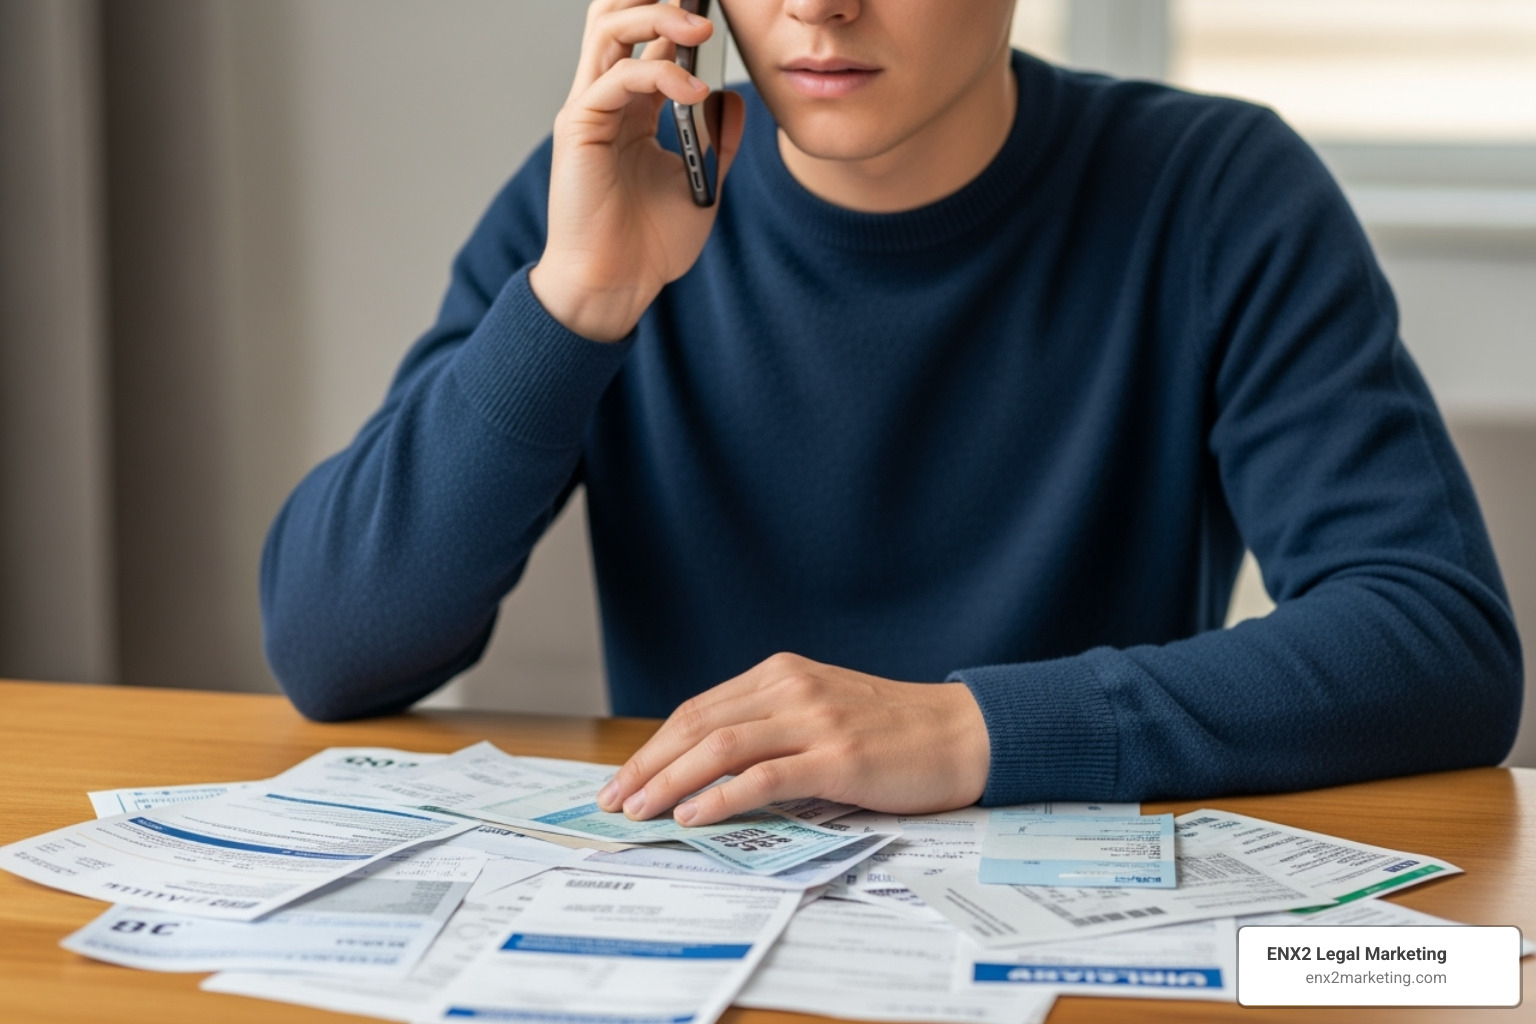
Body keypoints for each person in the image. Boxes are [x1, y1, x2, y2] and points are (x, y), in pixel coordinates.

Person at [261, 0, 1522, 828]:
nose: (819, 4)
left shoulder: (1218, 192)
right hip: (703, 934)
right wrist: (581, 296)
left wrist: (971, 728)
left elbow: (1437, 644)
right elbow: (331, 647)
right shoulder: (604, 201)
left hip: (1071, 932)